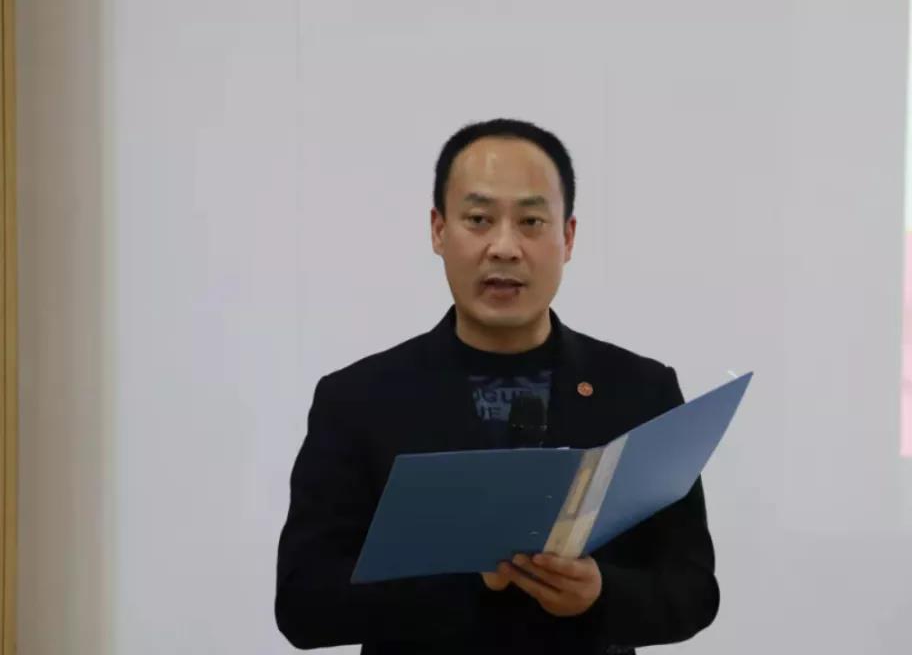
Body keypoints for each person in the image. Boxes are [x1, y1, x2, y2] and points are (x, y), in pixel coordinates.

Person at [275, 118, 720, 654]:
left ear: (567, 237)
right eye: (479, 219)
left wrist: (600, 594)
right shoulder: (357, 400)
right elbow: (302, 605)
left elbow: (693, 590)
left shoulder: (641, 391)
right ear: (439, 230)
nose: (504, 247)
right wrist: (466, 581)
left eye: (531, 221)